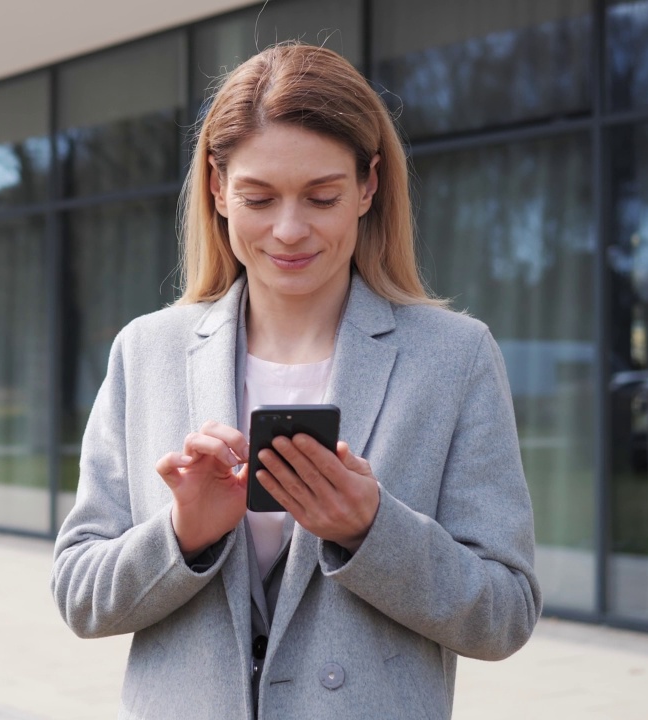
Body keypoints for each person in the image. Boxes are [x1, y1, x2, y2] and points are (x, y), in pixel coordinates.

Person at [51, 43, 541, 719]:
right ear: (218, 189)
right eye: (258, 196)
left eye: (322, 196)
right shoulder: (147, 352)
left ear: (369, 186)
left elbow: (506, 613)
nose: (288, 230)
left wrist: (373, 531)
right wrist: (183, 533)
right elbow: (80, 594)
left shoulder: (454, 358)